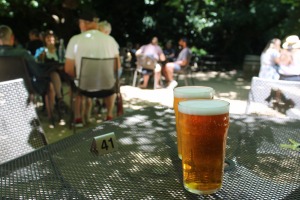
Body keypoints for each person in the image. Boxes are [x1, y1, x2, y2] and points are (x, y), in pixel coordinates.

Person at [64, 9, 121, 126]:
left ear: (83, 23)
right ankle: (109, 116)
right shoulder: (111, 40)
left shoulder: (75, 40)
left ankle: (78, 119)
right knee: (111, 81)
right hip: (107, 87)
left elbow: (68, 70)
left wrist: (78, 77)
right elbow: (117, 66)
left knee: (74, 86)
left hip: (84, 87)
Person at [0, 25, 56, 120]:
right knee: (49, 84)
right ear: (12, 38)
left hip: (2, 90)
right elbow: (37, 72)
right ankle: (51, 115)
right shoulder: (22, 54)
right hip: (24, 88)